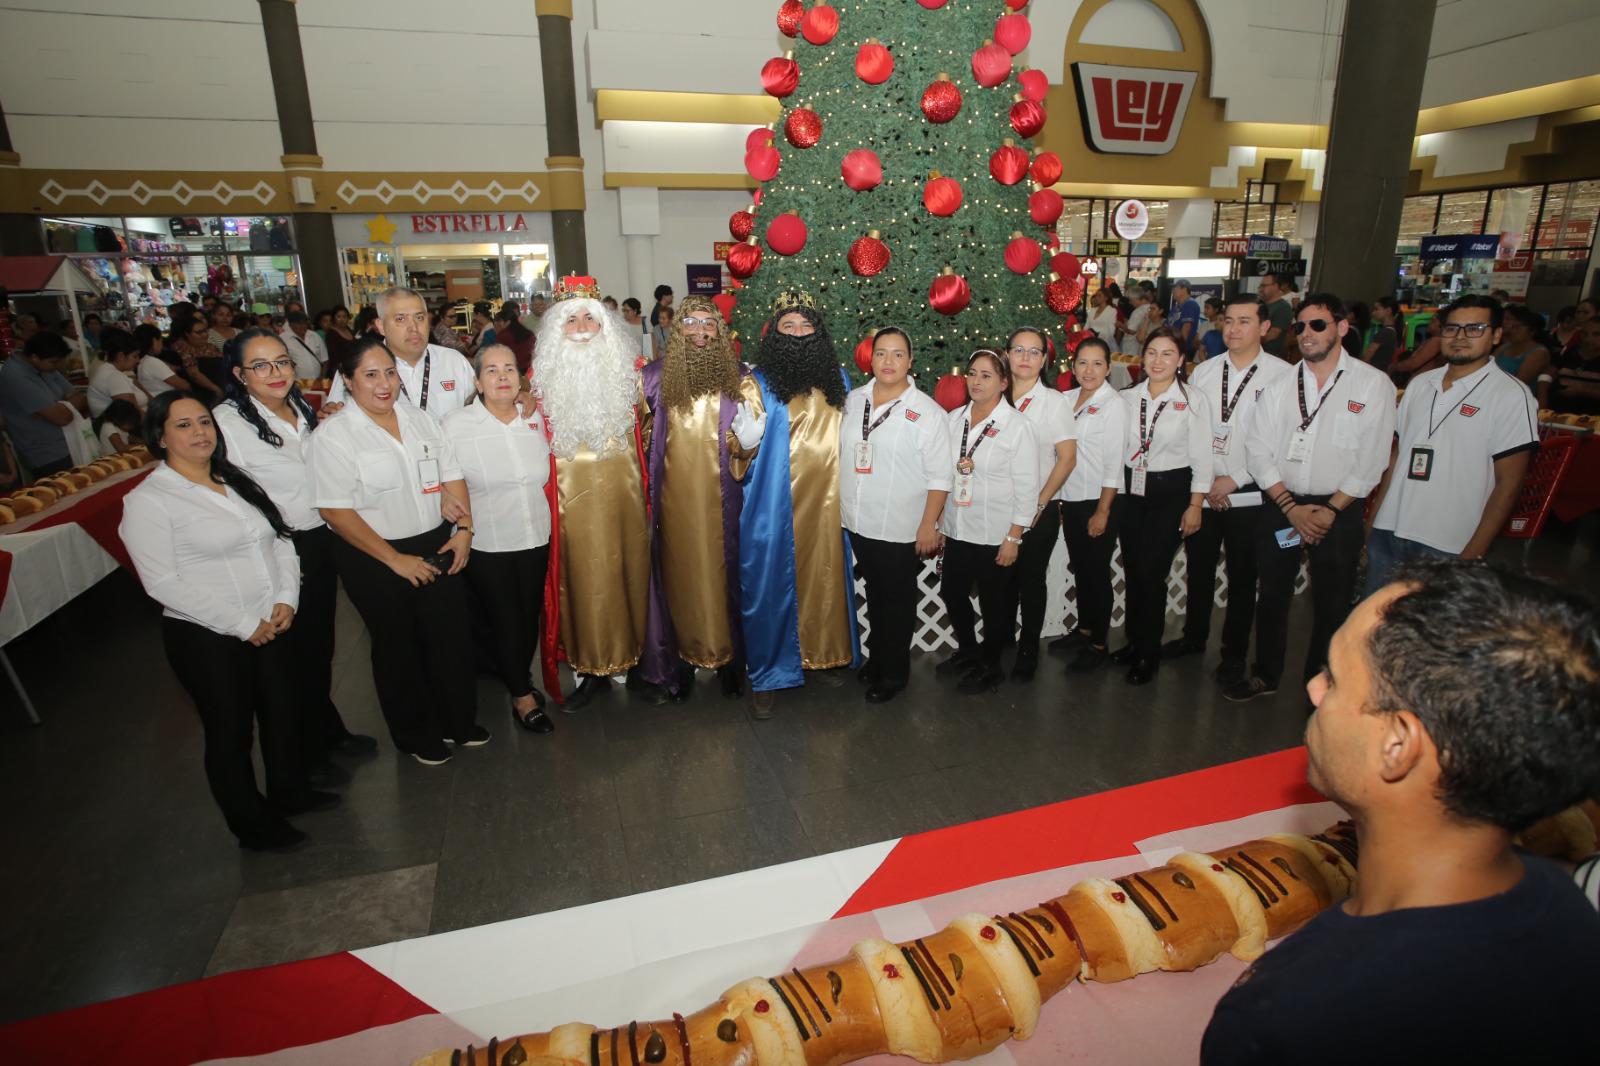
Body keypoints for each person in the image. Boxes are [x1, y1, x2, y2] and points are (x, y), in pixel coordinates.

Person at [1201, 559, 1600, 1066]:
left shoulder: (1292, 1020)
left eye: (1334, 678)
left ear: (1397, 746)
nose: (1314, 690)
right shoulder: (1562, 901)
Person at [120, 392, 334, 851]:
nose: (200, 432)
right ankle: (251, 824)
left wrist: (286, 598)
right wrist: (242, 623)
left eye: (204, 421)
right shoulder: (150, 500)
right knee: (230, 731)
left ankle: (290, 791)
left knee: (282, 711)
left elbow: (280, 537)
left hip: (270, 620)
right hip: (207, 635)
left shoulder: (235, 478)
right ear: (160, 437)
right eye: (183, 425)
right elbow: (162, 582)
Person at [308, 335, 485, 765]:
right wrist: (394, 560)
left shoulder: (419, 419)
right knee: (398, 646)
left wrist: (464, 528)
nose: (384, 383)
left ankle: (457, 721)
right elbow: (335, 511)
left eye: (389, 373)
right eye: (370, 375)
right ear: (348, 380)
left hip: (435, 539)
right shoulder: (334, 435)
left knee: (449, 637)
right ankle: (415, 734)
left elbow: (450, 472)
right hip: (373, 554)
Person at [215, 328, 377, 781]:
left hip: (319, 537)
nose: (275, 372)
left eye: (282, 362)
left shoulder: (300, 406)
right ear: (239, 374)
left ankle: (326, 729)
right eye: (260, 365)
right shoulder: (227, 423)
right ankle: (302, 755)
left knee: (319, 646)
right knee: (288, 657)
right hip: (276, 546)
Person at [1237, 293, 1396, 703]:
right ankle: (1265, 673)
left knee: (1332, 602)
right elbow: (1257, 451)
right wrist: (1291, 509)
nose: (1307, 333)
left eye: (1318, 325)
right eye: (1301, 326)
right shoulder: (1279, 385)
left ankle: (1321, 687)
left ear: (1342, 328)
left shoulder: (1372, 385)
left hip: (1337, 512)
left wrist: (1329, 510)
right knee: (1273, 593)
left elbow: (1373, 460)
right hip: (1284, 508)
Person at [531, 275, 652, 710]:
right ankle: (593, 667)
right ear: (555, 330)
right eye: (571, 320)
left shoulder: (634, 375)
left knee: (632, 573)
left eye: (590, 318)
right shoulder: (538, 383)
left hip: (626, 502)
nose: (582, 328)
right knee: (583, 581)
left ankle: (639, 661)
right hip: (571, 508)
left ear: (606, 326)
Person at [738, 290, 861, 716]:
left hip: (827, 501)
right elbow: (738, 446)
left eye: (806, 325)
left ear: (818, 332)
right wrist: (743, 438)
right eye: (788, 325)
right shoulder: (756, 383)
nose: (797, 332)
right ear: (775, 333)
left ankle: (821, 655)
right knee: (770, 584)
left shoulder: (838, 378)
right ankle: (768, 673)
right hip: (775, 502)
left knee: (823, 577)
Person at [637, 295, 765, 702]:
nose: (699, 331)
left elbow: (747, 443)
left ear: (719, 331)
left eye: (708, 323)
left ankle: (729, 661)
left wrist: (747, 443)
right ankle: (683, 660)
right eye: (690, 322)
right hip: (672, 503)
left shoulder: (741, 378)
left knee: (727, 578)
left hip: (725, 501)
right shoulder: (652, 379)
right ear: (678, 329)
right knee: (678, 578)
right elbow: (641, 440)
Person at [1366, 296, 1538, 591]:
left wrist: (1473, 555)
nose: (1460, 337)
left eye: (1474, 328)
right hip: (1389, 531)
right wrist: (1373, 521)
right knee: (1377, 617)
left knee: (1432, 621)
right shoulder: (1421, 384)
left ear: (1497, 335)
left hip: (1449, 544)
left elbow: (1509, 484)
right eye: (1452, 328)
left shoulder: (1510, 395)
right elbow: (1397, 457)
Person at [1165, 295, 1292, 685]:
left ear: (1264, 327)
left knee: (1242, 576)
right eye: (1229, 320)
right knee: (1199, 570)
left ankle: (1234, 653)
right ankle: (1193, 637)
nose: (1234, 329)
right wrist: (1203, 484)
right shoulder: (1205, 371)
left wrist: (1234, 478)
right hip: (1204, 490)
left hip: (1250, 492)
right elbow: (1193, 431)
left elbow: (1279, 443)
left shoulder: (1283, 376)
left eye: (1244, 321)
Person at [443, 344, 555, 734]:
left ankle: (519, 676)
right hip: (488, 540)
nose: (502, 376)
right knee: (505, 618)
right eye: (491, 370)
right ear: (477, 382)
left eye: (509, 368)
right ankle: (522, 696)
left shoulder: (536, 417)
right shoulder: (456, 425)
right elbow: (442, 476)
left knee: (527, 617)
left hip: (535, 534)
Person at [839, 327, 950, 703]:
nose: (889, 361)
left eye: (898, 354)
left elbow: (941, 476)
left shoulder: (927, 412)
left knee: (896, 600)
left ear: (910, 361)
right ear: (871, 358)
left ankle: (894, 673)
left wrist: (929, 523)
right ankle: (878, 660)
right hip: (858, 520)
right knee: (874, 593)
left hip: (901, 525)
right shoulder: (853, 400)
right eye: (881, 353)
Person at [1111, 327, 1212, 685]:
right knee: (1133, 570)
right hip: (1131, 491)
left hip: (1171, 493)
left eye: (1167, 353)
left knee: (1151, 573)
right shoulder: (1127, 397)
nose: (1157, 361)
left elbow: (1203, 457)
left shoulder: (1193, 400)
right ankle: (1134, 642)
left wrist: (1195, 505)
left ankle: (1148, 654)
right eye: (1152, 352)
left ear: (1181, 359)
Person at [935, 349, 1039, 694]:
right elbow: (945, 474)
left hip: (996, 532)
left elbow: (1028, 487)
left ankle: (991, 665)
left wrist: (1014, 537)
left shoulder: (1018, 426)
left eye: (986, 376)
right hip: (958, 526)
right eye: (972, 373)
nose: (976, 381)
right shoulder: (954, 420)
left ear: (1004, 383)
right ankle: (969, 650)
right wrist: (940, 520)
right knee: (952, 592)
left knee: (994, 602)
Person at [998, 327, 1077, 680]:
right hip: (998, 507)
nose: (1025, 358)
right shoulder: (995, 395)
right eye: (1019, 350)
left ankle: (1028, 648)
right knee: (1000, 580)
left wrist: (1040, 503)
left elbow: (1067, 459)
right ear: (1007, 354)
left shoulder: (1053, 402)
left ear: (1044, 359)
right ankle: (1000, 641)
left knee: (1030, 581)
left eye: (1034, 352)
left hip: (1037, 511)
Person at [1051, 337, 1127, 672]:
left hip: (1100, 500)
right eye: (1083, 362)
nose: (1089, 370)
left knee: (1096, 572)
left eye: (1097, 363)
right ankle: (1083, 630)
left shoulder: (1114, 405)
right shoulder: (1065, 400)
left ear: (1108, 369)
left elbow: (1114, 464)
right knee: (1081, 568)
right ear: (1073, 366)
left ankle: (1098, 642)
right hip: (1071, 498)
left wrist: (1103, 511)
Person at [325, 287, 476, 424]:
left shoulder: (453, 361)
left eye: (419, 317)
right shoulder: (357, 366)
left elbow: (477, 414)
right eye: (400, 319)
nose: (414, 327)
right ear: (380, 326)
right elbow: (338, 420)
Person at [0, 331, 85, 478]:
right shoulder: (16, 376)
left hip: (72, 442)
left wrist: (61, 407)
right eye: (54, 362)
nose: (58, 366)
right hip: (47, 455)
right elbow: (61, 418)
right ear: (34, 357)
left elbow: (80, 398)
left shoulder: (45, 365)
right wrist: (65, 407)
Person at [1492, 303, 1553, 391]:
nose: (1513, 331)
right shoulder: (1505, 347)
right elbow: (1487, 367)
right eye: (1512, 327)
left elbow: (1518, 383)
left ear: (1532, 331)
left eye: (1517, 328)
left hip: (1514, 394)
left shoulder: (1539, 353)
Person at [87, 327, 146, 416]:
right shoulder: (113, 376)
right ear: (121, 356)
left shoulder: (110, 371)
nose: (138, 360)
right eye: (135, 356)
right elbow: (133, 414)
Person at [1549, 316, 1600, 414]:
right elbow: (1551, 374)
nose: (1589, 339)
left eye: (1596, 334)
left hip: (1593, 416)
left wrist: (1581, 391)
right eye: (1585, 334)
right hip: (1559, 412)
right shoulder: (1570, 352)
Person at [168, 314, 225, 400]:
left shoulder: (210, 346)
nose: (204, 335)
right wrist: (217, 390)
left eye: (205, 331)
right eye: (199, 332)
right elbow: (194, 374)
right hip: (206, 393)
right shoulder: (182, 348)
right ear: (187, 334)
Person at [134, 322, 187, 398]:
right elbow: (183, 385)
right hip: (167, 400)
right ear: (154, 341)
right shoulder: (151, 362)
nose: (162, 345)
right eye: (161, 340)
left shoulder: (143, 360)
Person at [1389, 312, 1443, 382]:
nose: (1429, 323)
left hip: (1422, 382)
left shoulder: (1436, 341)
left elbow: (1413, 363)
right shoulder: (1440, 342)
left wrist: (1393, 367)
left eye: (1433, 321)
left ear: (1441, 325)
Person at [1257, 272, 1295, 358]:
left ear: (1275, 286)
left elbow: (1272, 335)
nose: (1260, 289)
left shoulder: (1283, 307)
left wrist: (1248, 341)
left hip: (1271, 356)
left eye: (1264, 286)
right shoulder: (1260, 305)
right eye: (1260, 286)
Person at [280, 310, 328, 379]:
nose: (303, 326)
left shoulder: (314, 336)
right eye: (299, 323)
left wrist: (322, 376)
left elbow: (325, 359)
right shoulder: (283, 339)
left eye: (305, 323)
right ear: (290, 325)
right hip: (297, 382)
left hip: (318, 380)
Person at [491, 302, 536, 374]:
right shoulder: (528, 332)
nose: (497, 324)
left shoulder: (503, 336)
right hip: (531, 369)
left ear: (508, 322)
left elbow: (499, 356)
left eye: (499, 321)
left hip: (512, 370)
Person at [1362, 296, 1402, 372]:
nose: (1373, 313)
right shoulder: (1391, 331)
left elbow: (1367, 355)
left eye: (1376, 309)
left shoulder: (1385, 332)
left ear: (1388, 311)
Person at [1169, 280, 1201, 357]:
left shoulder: (1190, 304)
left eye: (1175, 288)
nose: (1173, 291)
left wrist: (1180, 347)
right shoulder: (1176, 306)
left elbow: (1186, 328)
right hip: (1172, 345)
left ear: (1184, 289)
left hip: (1181, 348)